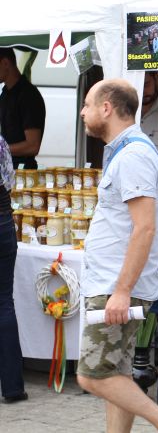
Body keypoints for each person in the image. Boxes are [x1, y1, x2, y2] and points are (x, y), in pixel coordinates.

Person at [75, 79, 158, 433]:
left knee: (92, 376)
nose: (83, 112)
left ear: (107, 108)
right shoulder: (126, 150)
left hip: (117, 285)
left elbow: (145, 228)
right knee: (117, 373)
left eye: (87, 104)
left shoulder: (133, 155)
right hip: (115, 283)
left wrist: (122, 290)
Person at [0, 136, 25, 404]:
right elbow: (9, 182)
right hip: (3, 223)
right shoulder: (0, 142)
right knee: (4, 302)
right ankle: (12, 387)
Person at [0, 48, 46, 169]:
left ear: (5, 63)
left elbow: (33, 146)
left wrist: (2, 150)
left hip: (22, 174)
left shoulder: (28, 95)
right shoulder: (5, 94)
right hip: (6, 171)